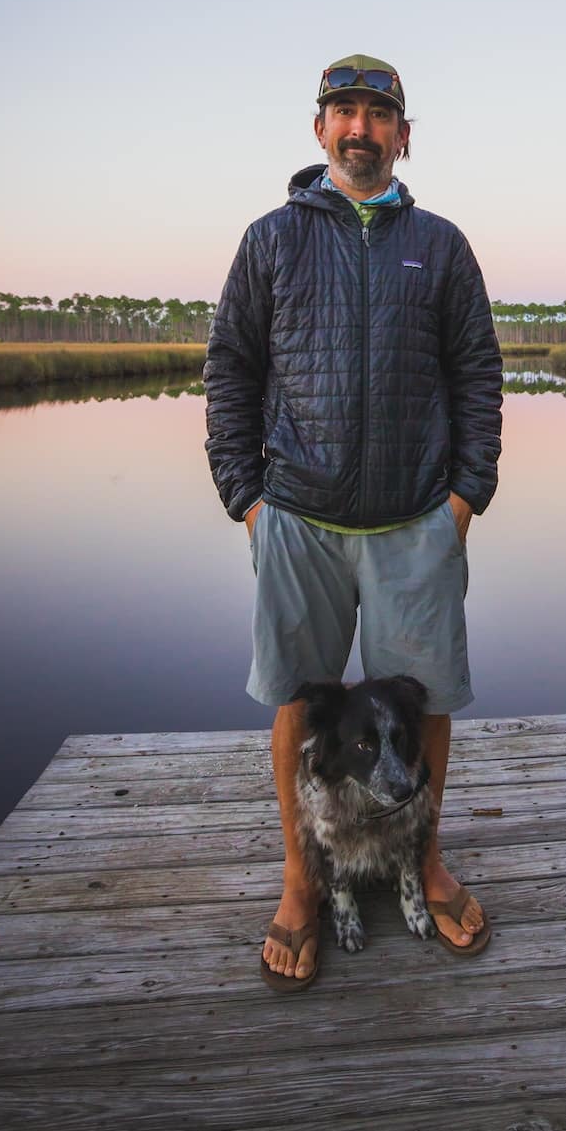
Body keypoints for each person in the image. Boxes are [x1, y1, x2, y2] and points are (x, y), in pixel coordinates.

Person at [204, 53, 503, 985]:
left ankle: (426, 859)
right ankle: (301, 879)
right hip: (298, 517)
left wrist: (464, 497)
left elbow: (479, 376)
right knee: (301, 699)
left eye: (379, 114)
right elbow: (230, 374)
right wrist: (247, 501)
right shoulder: (270, 241)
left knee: (429, 701)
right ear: (320, 130)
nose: (361, 128)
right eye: (346, 112)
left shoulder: (442, 245)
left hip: (418, 519)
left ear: (404, 135)